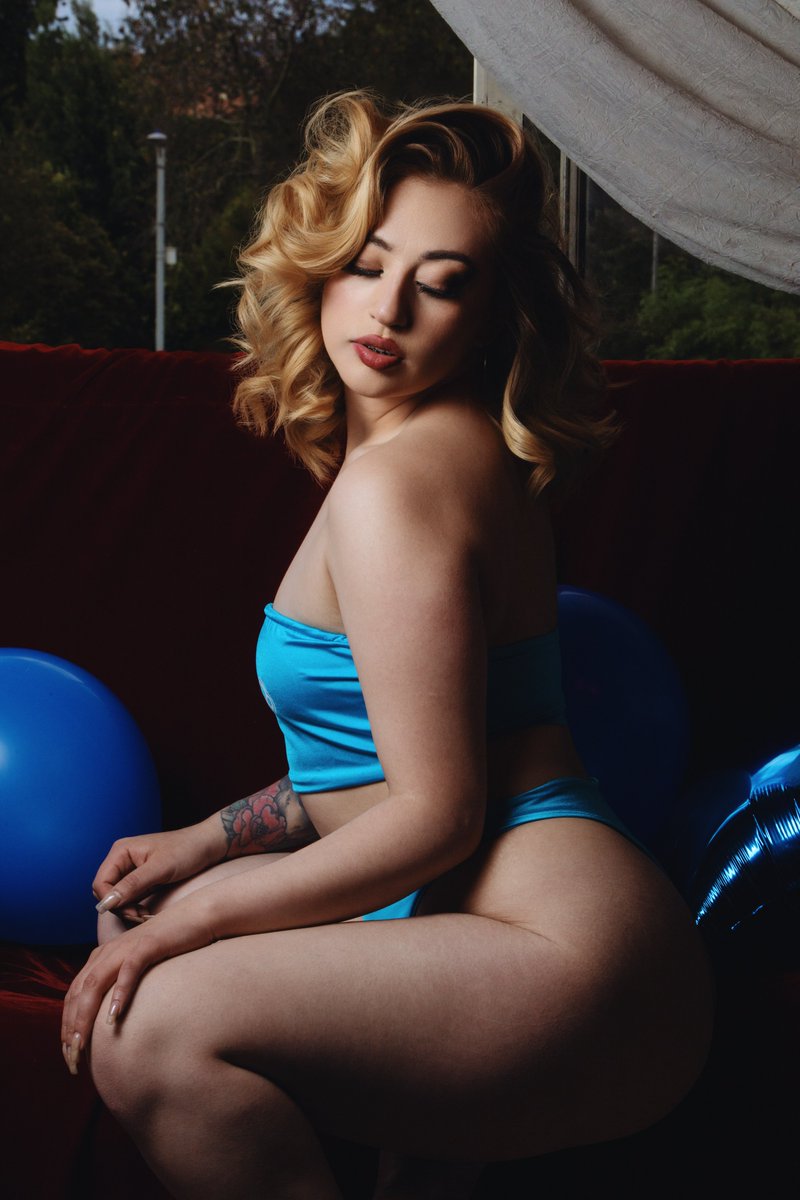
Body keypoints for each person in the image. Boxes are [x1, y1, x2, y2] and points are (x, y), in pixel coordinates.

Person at [61, 90, 714, 1199]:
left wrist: (199, 917)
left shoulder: (396, 487)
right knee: (151, 922)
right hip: (539, 938)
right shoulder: (447, 453)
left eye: (442, 283)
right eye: (368, 264)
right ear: (322, 266)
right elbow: (384, 747)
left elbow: (438, 811)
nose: (390, 307)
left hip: (564, 956)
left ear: (491, 315)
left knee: (148, 1022)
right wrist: (208, 843)